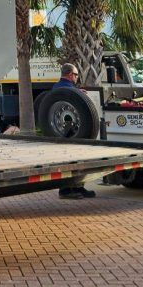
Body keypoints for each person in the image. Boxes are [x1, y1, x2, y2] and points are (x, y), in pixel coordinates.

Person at [54, 63, 97, 200]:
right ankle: (66, 190)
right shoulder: (67, 88)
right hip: (69, 134)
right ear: (70, 75)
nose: (77, 77)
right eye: (76, 74)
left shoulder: (58, 87)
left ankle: (78, 186)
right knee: (69, 161)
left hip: (67, 133)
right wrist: (80, 94)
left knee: (77, 161)